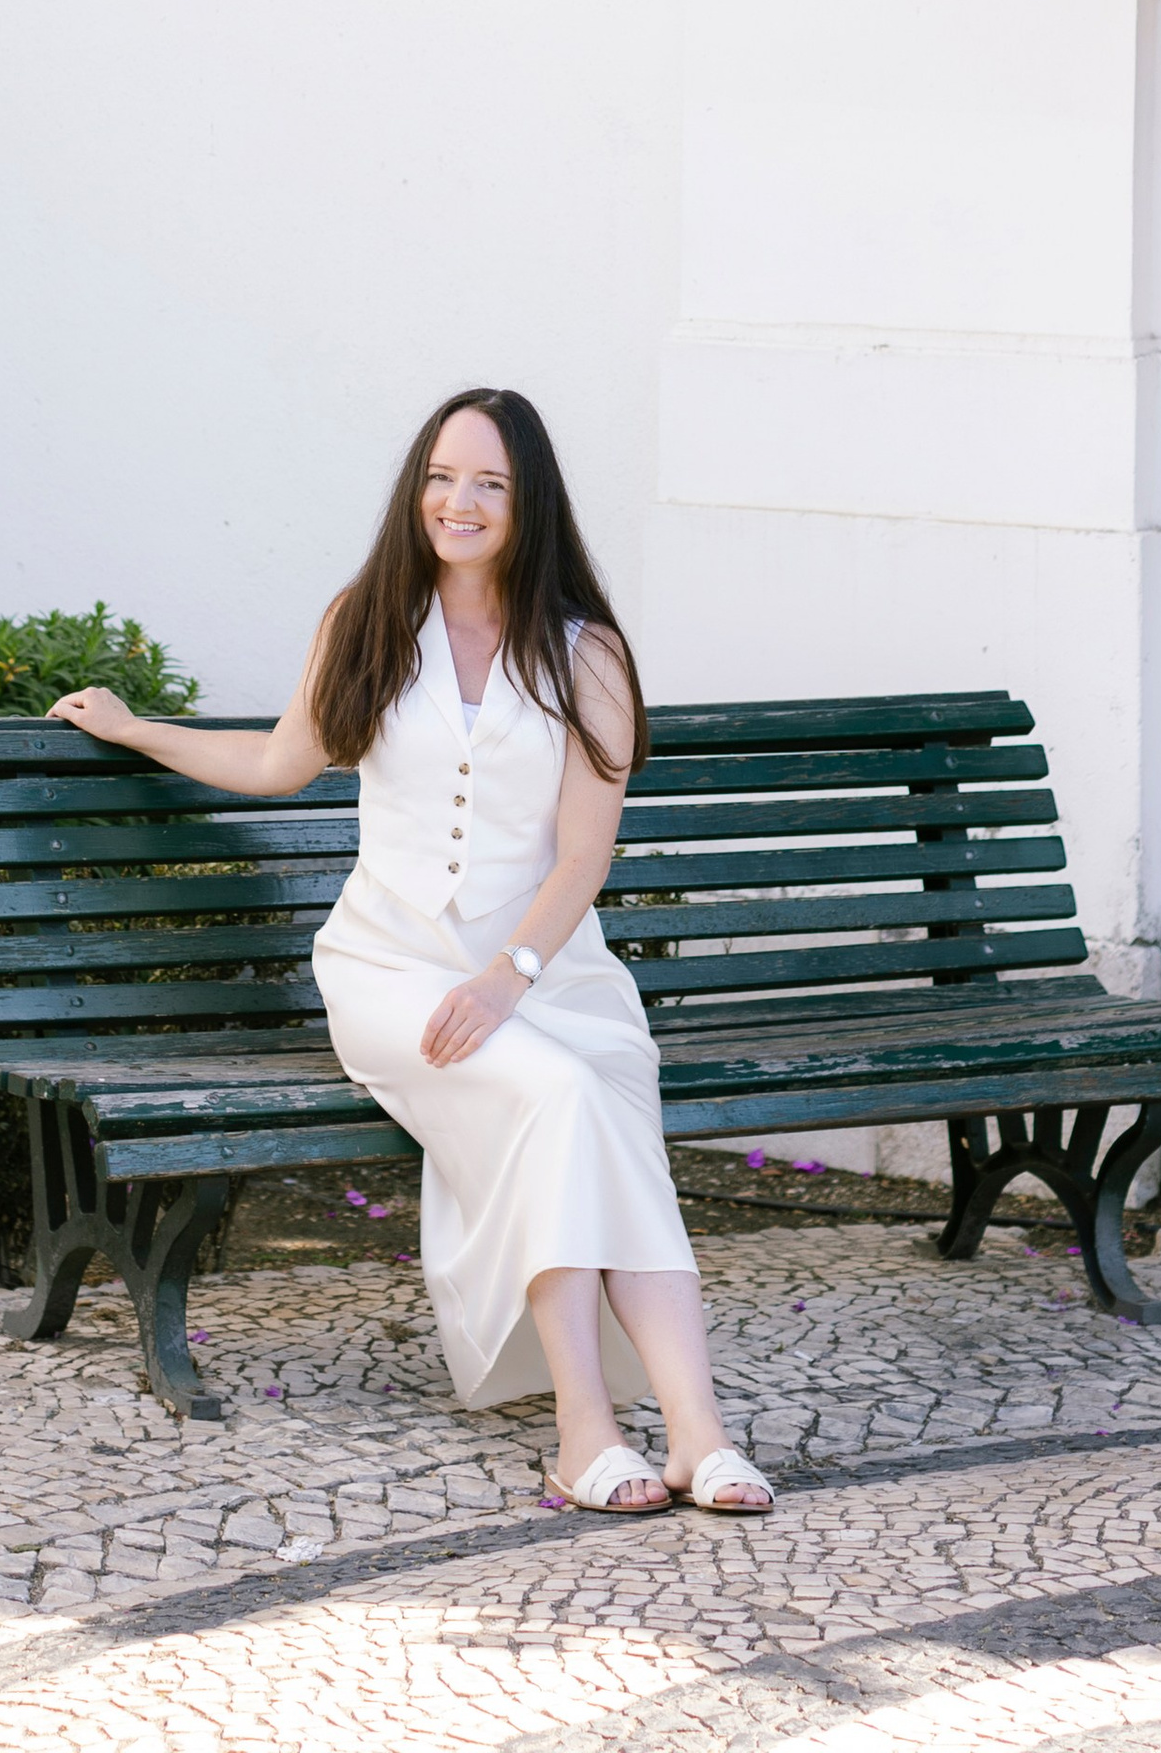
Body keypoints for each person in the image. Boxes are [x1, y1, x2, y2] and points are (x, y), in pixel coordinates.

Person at [49, 385, 773, 1518]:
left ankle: (693, 1434)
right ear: (416, 489)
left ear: (528, 502)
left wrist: (508, 978)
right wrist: (138, 728)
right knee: (560, 1101)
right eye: (441, 476)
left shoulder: (588, 654)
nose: (459, 500)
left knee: (590, 1091)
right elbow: (281, 763)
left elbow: (583, 859)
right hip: (390, 974)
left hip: (551, 976)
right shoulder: (366, 621)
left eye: (488, 481)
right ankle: (586, 1430)